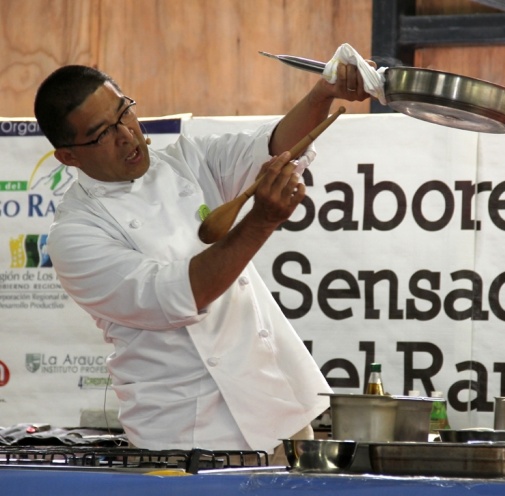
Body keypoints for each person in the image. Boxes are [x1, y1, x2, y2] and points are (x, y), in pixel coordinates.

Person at [33, 57, 373, 459]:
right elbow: (182, 295)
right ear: (69, 157)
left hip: (278, 406)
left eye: (125, 112)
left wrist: (322, 94)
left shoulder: (187, 160)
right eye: (102, 134)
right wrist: (261, 222)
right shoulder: (76, 234)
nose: (127, 135)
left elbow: (272, 148)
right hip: (185, 431)